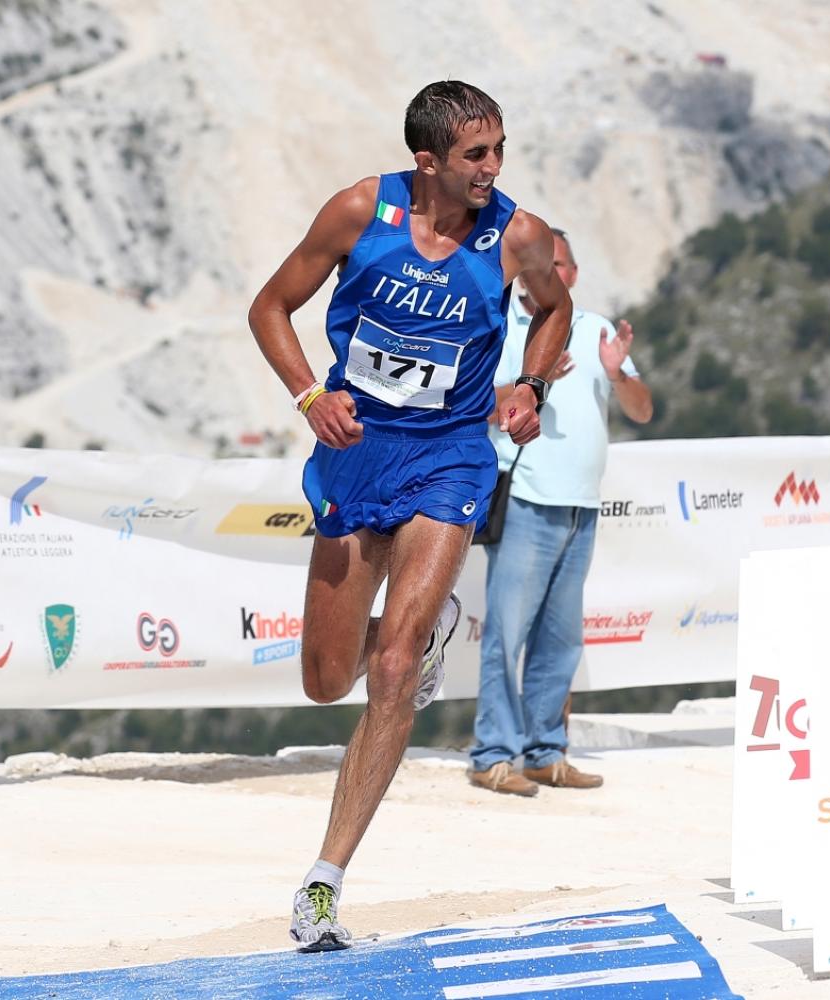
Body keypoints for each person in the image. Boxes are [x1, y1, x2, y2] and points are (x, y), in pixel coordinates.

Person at [247, 81, 572, 951]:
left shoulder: (520, 235)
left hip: (450, 455)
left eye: (499, 148)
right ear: (426, 161)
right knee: (326, 679)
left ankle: (324, 882)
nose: (493, 167)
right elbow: (269, 307)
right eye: (476, 154)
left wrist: (531, 385)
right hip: (356, 450)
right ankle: (419, 635)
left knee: (393, 667)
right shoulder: (361, 211)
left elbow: (556, 309)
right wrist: (310, 394)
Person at [469, 227, 653, 797]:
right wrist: (535, 380)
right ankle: (492, 755)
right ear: (527, 272)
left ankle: (546, 753)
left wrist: (618, 372)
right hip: (526, 499)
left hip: (582, 506)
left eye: (564, 265)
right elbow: (477, 405)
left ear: (573, 272)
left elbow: (642, 410)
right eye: (547, 264)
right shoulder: (502, 329)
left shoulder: (597, 330)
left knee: (560, 639)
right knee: (506, 634)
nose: (557, 273)